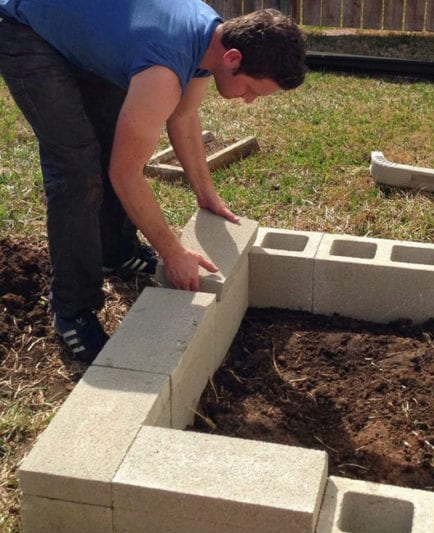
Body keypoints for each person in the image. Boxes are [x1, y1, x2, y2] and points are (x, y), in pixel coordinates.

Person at [0, 2, 306, 361]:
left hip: (77, 24)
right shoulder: (163, 69)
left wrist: (206, 194)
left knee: (116, 136)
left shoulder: (211, 38)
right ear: (234, 58)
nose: (250, 101)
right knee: (78, 170)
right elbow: (125, 173)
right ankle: (72, 311)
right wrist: (172, 253)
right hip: (23, 27)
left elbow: (184, 116)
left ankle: (116, 251)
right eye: (252, 89)